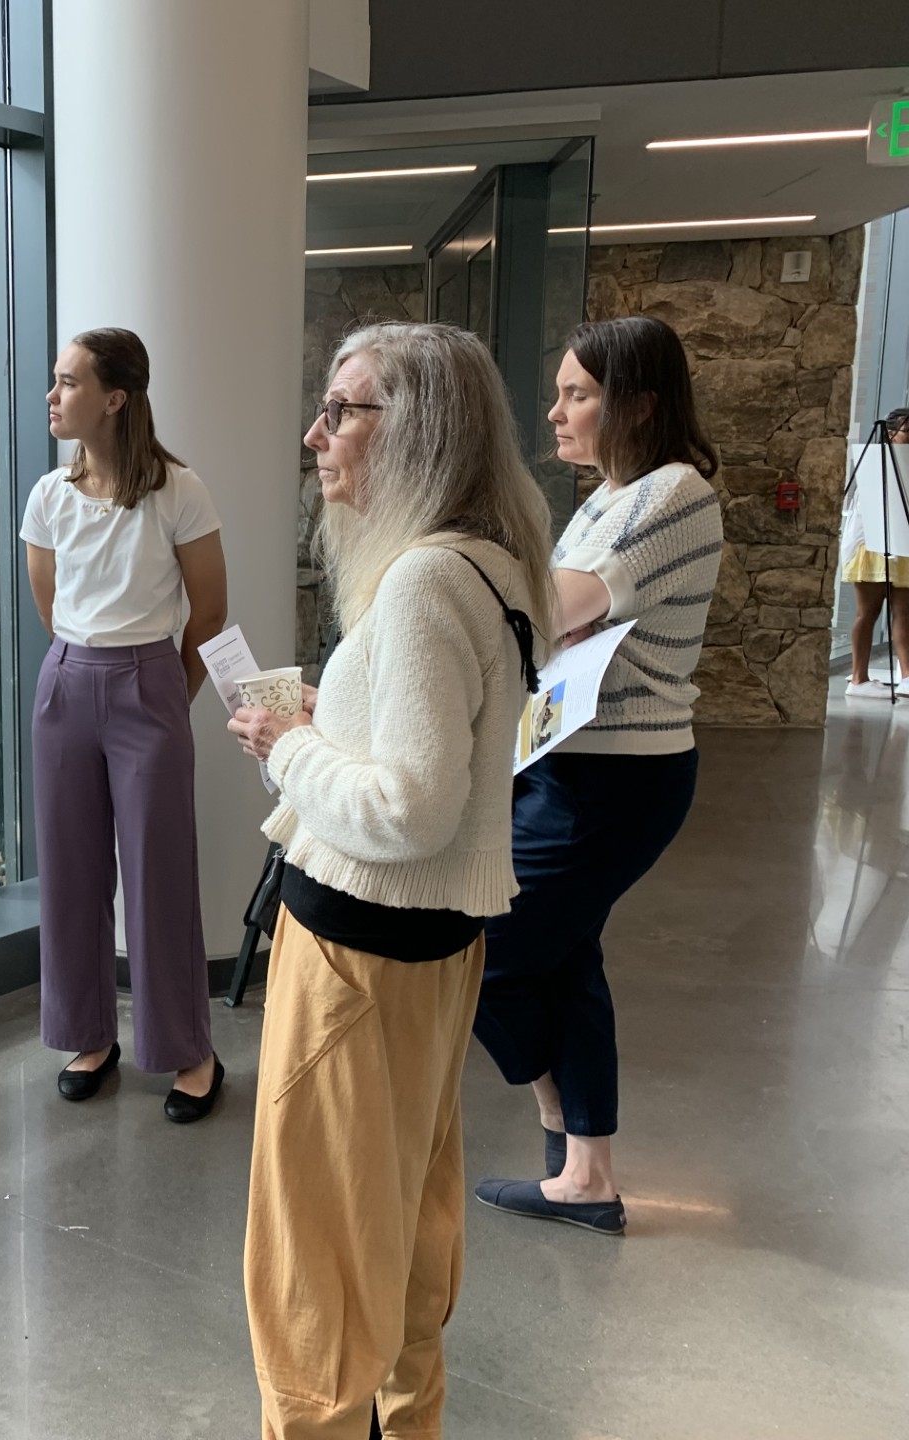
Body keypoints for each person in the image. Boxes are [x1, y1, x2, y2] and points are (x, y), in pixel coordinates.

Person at [228, 322, 554, 1439]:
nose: (315, 436)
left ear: (417, 429)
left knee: (316, 1258)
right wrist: (332, 720)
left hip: (356, 954)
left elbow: (411, 811)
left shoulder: (420, 581)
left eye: (343, 410)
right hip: (428, 949)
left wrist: (287, 748)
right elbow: (439, 758)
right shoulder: (489, 560)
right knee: (407, 1216)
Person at [470, 314, 723, 1236]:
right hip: (566, 764)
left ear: (639, 404)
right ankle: (586, 1173)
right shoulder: (606, 498)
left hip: (616, 781)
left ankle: (561, 1134)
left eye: (578, 394)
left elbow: (559, 606)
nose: (557, 412)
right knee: (567, 957)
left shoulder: (674, 491)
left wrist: (463, 573)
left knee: (480, 951)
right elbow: (552, 620)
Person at [20, 327, 229, 1122]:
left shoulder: (180, 490)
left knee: (159, 874)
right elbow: (50, 605)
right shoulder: (49, 496)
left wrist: (165, 692)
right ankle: (87, 1035)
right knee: (70, 871)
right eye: (55, 380)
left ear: (115, 398)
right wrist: (88, 667)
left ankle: (189, 1050)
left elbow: (208, 612)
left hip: (149, 684)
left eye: (68, 383)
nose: (52, 396)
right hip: (67, 683)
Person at [839, 407, 909, 698]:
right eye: (908, 432)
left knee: (904, 612)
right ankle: (859, 678)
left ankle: (907, 676)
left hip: (903, 547)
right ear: (890, 434)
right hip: (872, 547)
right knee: (867, 613)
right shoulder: (874, 464)